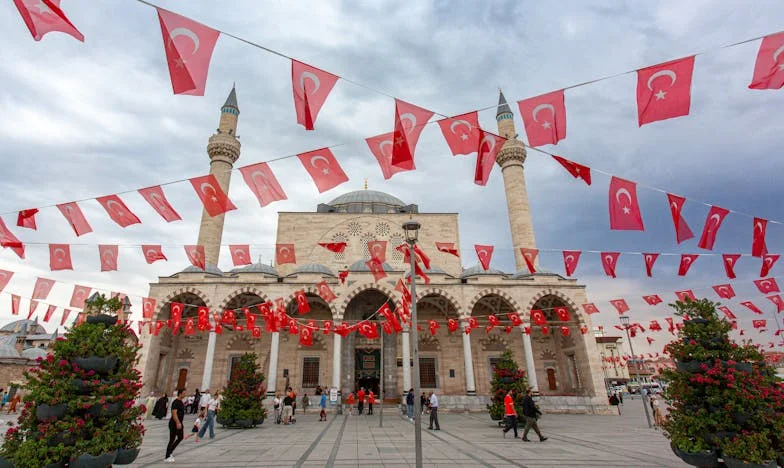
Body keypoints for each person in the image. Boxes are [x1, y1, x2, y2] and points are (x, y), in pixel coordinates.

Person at [164, 388, 186, 463]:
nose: (185, 394)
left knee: (180, 437)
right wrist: (177, 422)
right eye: (184, 393)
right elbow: (174, 413)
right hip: (174, 423)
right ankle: (167, 456)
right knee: (172, 439)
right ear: (180, 394)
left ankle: (170, 451)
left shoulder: (181, 402)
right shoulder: (176, 402)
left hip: (179, 422)